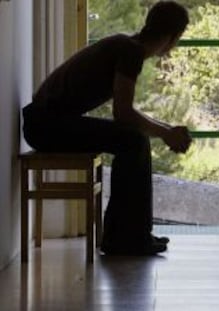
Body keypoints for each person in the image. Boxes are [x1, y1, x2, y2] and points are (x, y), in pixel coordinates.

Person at [22, 1, 192, 255]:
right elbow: (123, 113)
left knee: (133, 140)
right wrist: (167, 133)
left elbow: (125, 112)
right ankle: (125, 238)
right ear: (171, 38)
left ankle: (132, 236)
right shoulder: (130, 52)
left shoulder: (126, 45)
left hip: (44, 123)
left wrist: (166, 130)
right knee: (133, 141)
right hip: (47, 125)